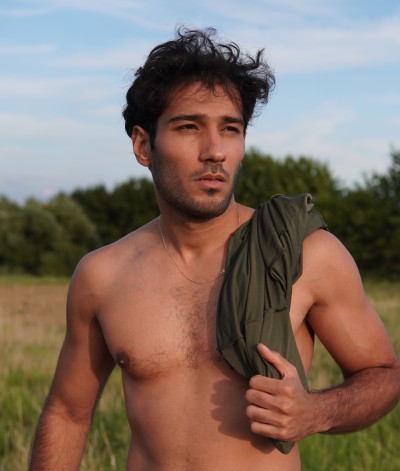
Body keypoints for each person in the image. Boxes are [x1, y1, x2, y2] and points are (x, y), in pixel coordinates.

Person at [29, 27, 400, 470]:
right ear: (144, 145)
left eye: (230, 129)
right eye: (189, 127)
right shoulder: (102, 275)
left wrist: (315, 412)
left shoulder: (306, 255)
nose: (215, 151)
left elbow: (383, 375)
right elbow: (67, 413)